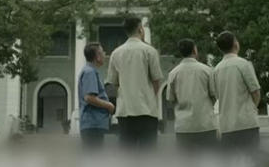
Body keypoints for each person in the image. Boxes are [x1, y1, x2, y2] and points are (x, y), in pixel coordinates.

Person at [106, 16, 164, 149]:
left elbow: (114, 83)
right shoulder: (149, 51)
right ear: (140, 29)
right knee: (148, 154)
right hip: (147, 111)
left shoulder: (116, 53)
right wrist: (150, 97)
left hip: (125, 111)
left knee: (127, 154)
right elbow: (156, 80)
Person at [211, 31, 261, 154]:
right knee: (251, 159)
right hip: (247, 124)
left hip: (226, 126)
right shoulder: (243, 64)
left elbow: (216, 96)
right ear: (235, 44)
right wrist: (252, 108)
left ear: (220, 49)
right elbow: (255, 92)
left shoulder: (216, 70)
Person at [166, 38, 218, 151]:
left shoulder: (173, 73)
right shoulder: (207, 70)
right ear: (194, 50)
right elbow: (214, 95)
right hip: (205, 124)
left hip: (184, 127)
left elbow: (170, 99)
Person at [78, 42, 114, 149]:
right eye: (103, 52)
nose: (104, 54)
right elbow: (89, 97)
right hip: (93, 124)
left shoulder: (89, 71)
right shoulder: (90, 72)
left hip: (93, 125)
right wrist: (109, 105)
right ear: (97, 56)